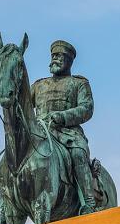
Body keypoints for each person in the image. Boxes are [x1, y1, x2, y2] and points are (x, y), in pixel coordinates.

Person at [31, 40, 96, 214]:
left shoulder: (78, 83)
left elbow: (87, 108)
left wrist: (63, 116)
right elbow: (22, 107)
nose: (55, 59)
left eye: (59, 56)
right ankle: (6, 206)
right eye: (53, 56)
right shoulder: (39, 85)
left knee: (78, 154)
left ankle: (89, 202)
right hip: (40, 133)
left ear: (69, 61)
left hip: (68, 133)